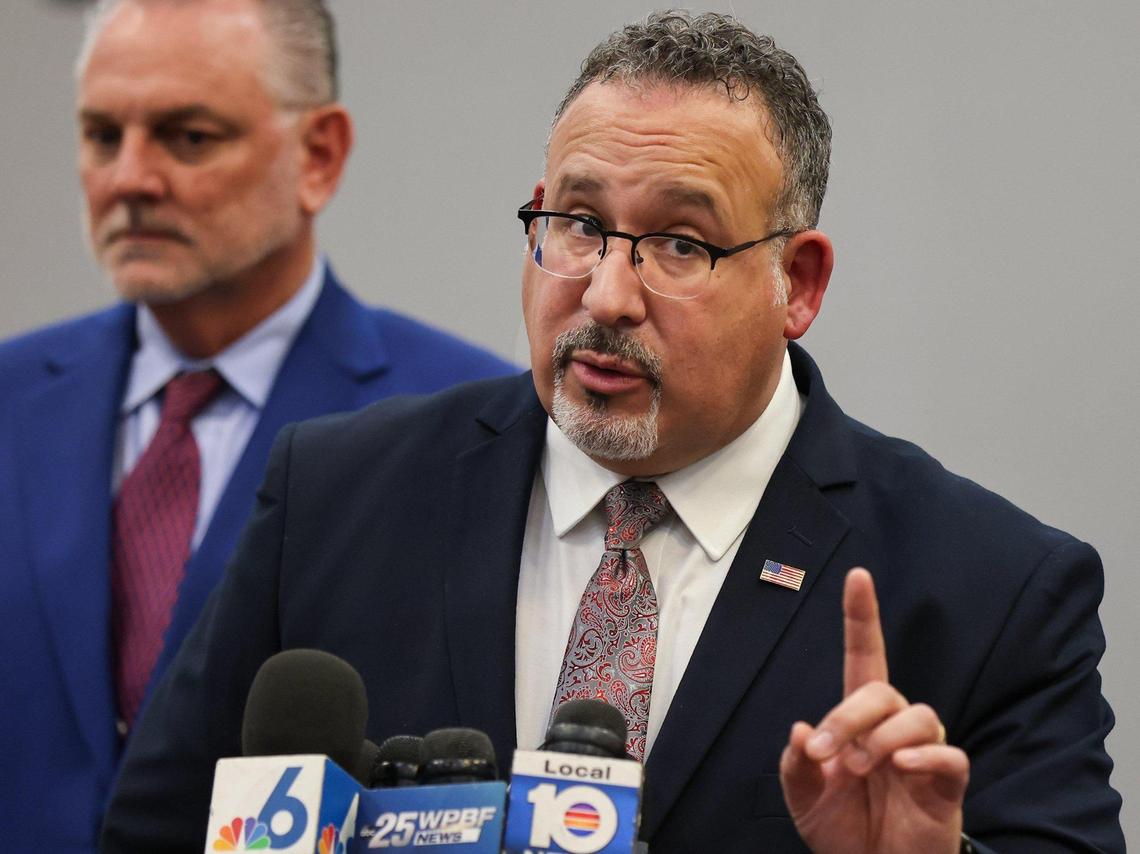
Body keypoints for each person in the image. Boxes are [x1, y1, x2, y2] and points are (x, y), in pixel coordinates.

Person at [101, 11, 1123, 853]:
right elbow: (148, 830)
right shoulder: (333, 500)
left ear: (797, 283)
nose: (606, 292)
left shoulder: (990, 590)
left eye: (680, 241)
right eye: (580, 224)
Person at [0, 0, 516, 850]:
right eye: (101, 136)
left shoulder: (466, 422)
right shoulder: (14, 403)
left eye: (187, 136)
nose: (130, 177)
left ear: (319, 155)